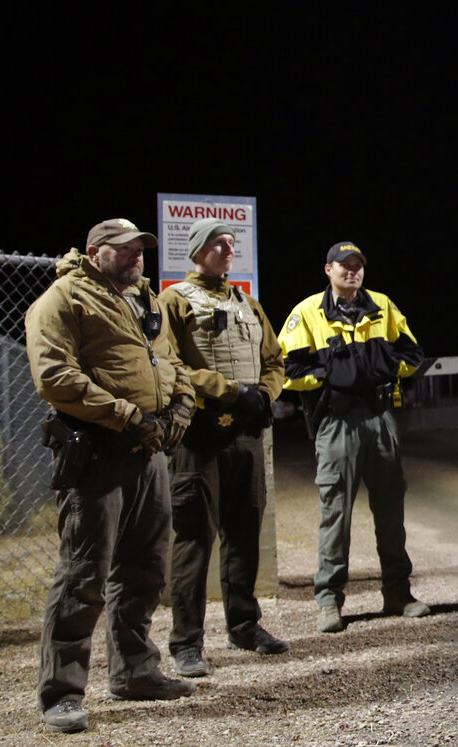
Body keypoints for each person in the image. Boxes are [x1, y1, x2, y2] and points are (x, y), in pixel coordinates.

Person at [25, 219, 198, 734]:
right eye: (123, 250)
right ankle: (61, 694)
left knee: (146, 569)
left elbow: (173, 363)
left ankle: (136, 672)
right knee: (84, 575)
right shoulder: (64, 298)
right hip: (99, 455)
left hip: (151, 456)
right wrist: (127, 415)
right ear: (95, 252)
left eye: (140, 249)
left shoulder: (145, 300)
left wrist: (181, 408)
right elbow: (54, 375)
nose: (135, 257)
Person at [158, 218, 289, 678]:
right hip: (201, 435)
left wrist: (266, 395)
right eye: (218, 242)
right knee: (194, 536)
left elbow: (276, 360)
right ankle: (186, 641)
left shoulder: (248, 304)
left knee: (245, 530)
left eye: (231, 242)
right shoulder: (173, 300)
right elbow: (167, 363)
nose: (228, 248)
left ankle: (244, 625)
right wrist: (231, 391)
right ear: (197, 251)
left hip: (247, 435)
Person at [278, 241, 429, 633]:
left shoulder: (382, 305)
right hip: (337, 422)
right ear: (327, 270)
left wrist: (387, 367)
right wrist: (329, 376)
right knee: (336, 515)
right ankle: (329, 601)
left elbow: (413, 356)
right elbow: (286, 369)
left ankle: (398, 594)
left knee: (391, 511)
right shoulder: (307, 312)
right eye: (344, 266)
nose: (352, 272)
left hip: (380, 419)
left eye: (358, 266)